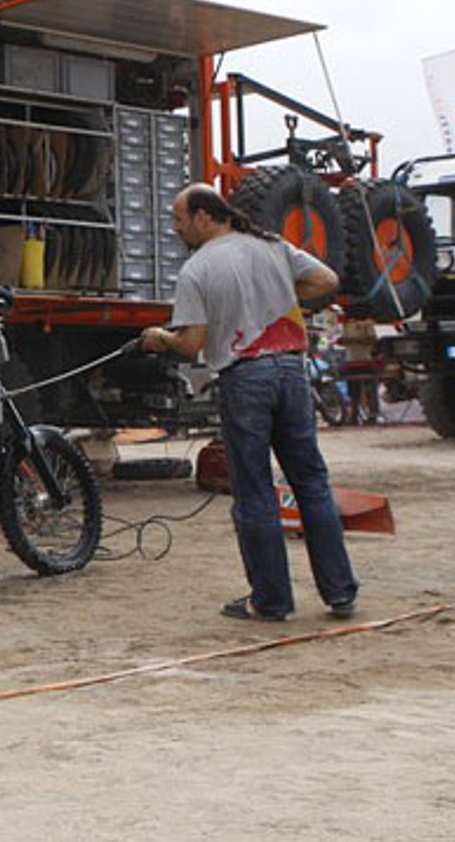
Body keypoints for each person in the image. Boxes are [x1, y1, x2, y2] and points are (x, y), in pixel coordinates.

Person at [138, 183, 359, 621]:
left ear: (204, 217)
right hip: (292, 372)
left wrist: (158, 338)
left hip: (245, 379)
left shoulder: (197, 269)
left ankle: (272, 601)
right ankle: (340, 592)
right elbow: (327, 280)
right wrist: (279, 294)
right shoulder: (271, 246)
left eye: (179, 219)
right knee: (311, 482)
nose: (176, 228)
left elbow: (192, 342)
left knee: (255, 490)